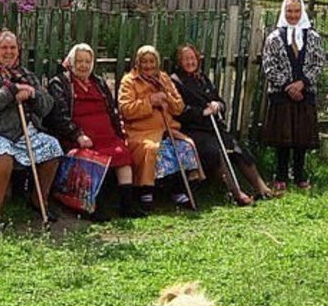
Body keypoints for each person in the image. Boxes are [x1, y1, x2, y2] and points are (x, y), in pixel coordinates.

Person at [0, 30, 63, 232]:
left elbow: (46, 107)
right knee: (2, 155)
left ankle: (38, 200)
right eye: (4, 47)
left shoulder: (26, 75)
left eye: (13, 48)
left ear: (18, 51)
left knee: (52, 147)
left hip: (22, 135)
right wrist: (11, 91)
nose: (8, 52)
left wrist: (32, 94)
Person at [46, 43, 146, 219]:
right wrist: (77, 135)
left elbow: (112, 111)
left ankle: (126, 204)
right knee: (92, 157)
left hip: (106, 136)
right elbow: (59, 117)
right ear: (71, 62)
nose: (83, 65)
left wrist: (120, 134)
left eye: (87, 61)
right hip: (79, 137)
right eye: (79, 61)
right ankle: (91, 205)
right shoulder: (59, 83)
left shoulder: (98, 82)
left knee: (122, 154)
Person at [171, 43, 277, 204]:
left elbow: (220, 101)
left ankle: (262, 189)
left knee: (238, 148)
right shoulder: (175, 81)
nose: (190, 62)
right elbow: (178, 110)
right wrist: (201, 112)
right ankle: (237, 193)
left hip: (213, 127)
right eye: (185, 59)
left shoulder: (202, 78)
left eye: (192, 58)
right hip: (193, 130)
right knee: (216, 152)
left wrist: (217, 105)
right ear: (179, 61)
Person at [118, 45, 200, 210]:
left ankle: (177, 188)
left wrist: (167, 97)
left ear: (157, 63)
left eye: (152, 62)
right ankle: (145, 191)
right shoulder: (129, 81)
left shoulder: (163, 78)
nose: (148, 66)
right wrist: (150, 101)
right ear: (137, 63)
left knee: (186, 145)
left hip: (166, 129)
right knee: (150, 149)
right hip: (140, 131)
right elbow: (126, 109)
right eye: (144, 62)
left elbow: (179, 107)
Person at [261, 0, 326, 190]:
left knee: (301, 138)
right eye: (289, 11)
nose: (293, 15)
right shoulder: (274, 38)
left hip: (305, 94)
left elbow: (318, 63)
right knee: (283, 138)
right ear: (283, 11)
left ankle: (299, 175)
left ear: (302, 11)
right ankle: (280, 175)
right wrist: (289, 85)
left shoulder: (313, 37)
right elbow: (269, 66)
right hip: (282, 95)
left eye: (297, 11)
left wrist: (302, 83)